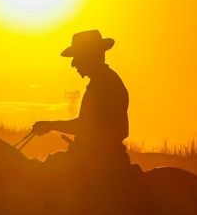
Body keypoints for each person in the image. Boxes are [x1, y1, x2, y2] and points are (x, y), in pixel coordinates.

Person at [31, 29, 131, 173]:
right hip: (95, 160)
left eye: (77, 57)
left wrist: (50, 125)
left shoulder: (105, 85)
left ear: (90, 56)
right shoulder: (103, 82)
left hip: (100, 164)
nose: (73, 64)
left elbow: (87, 126)